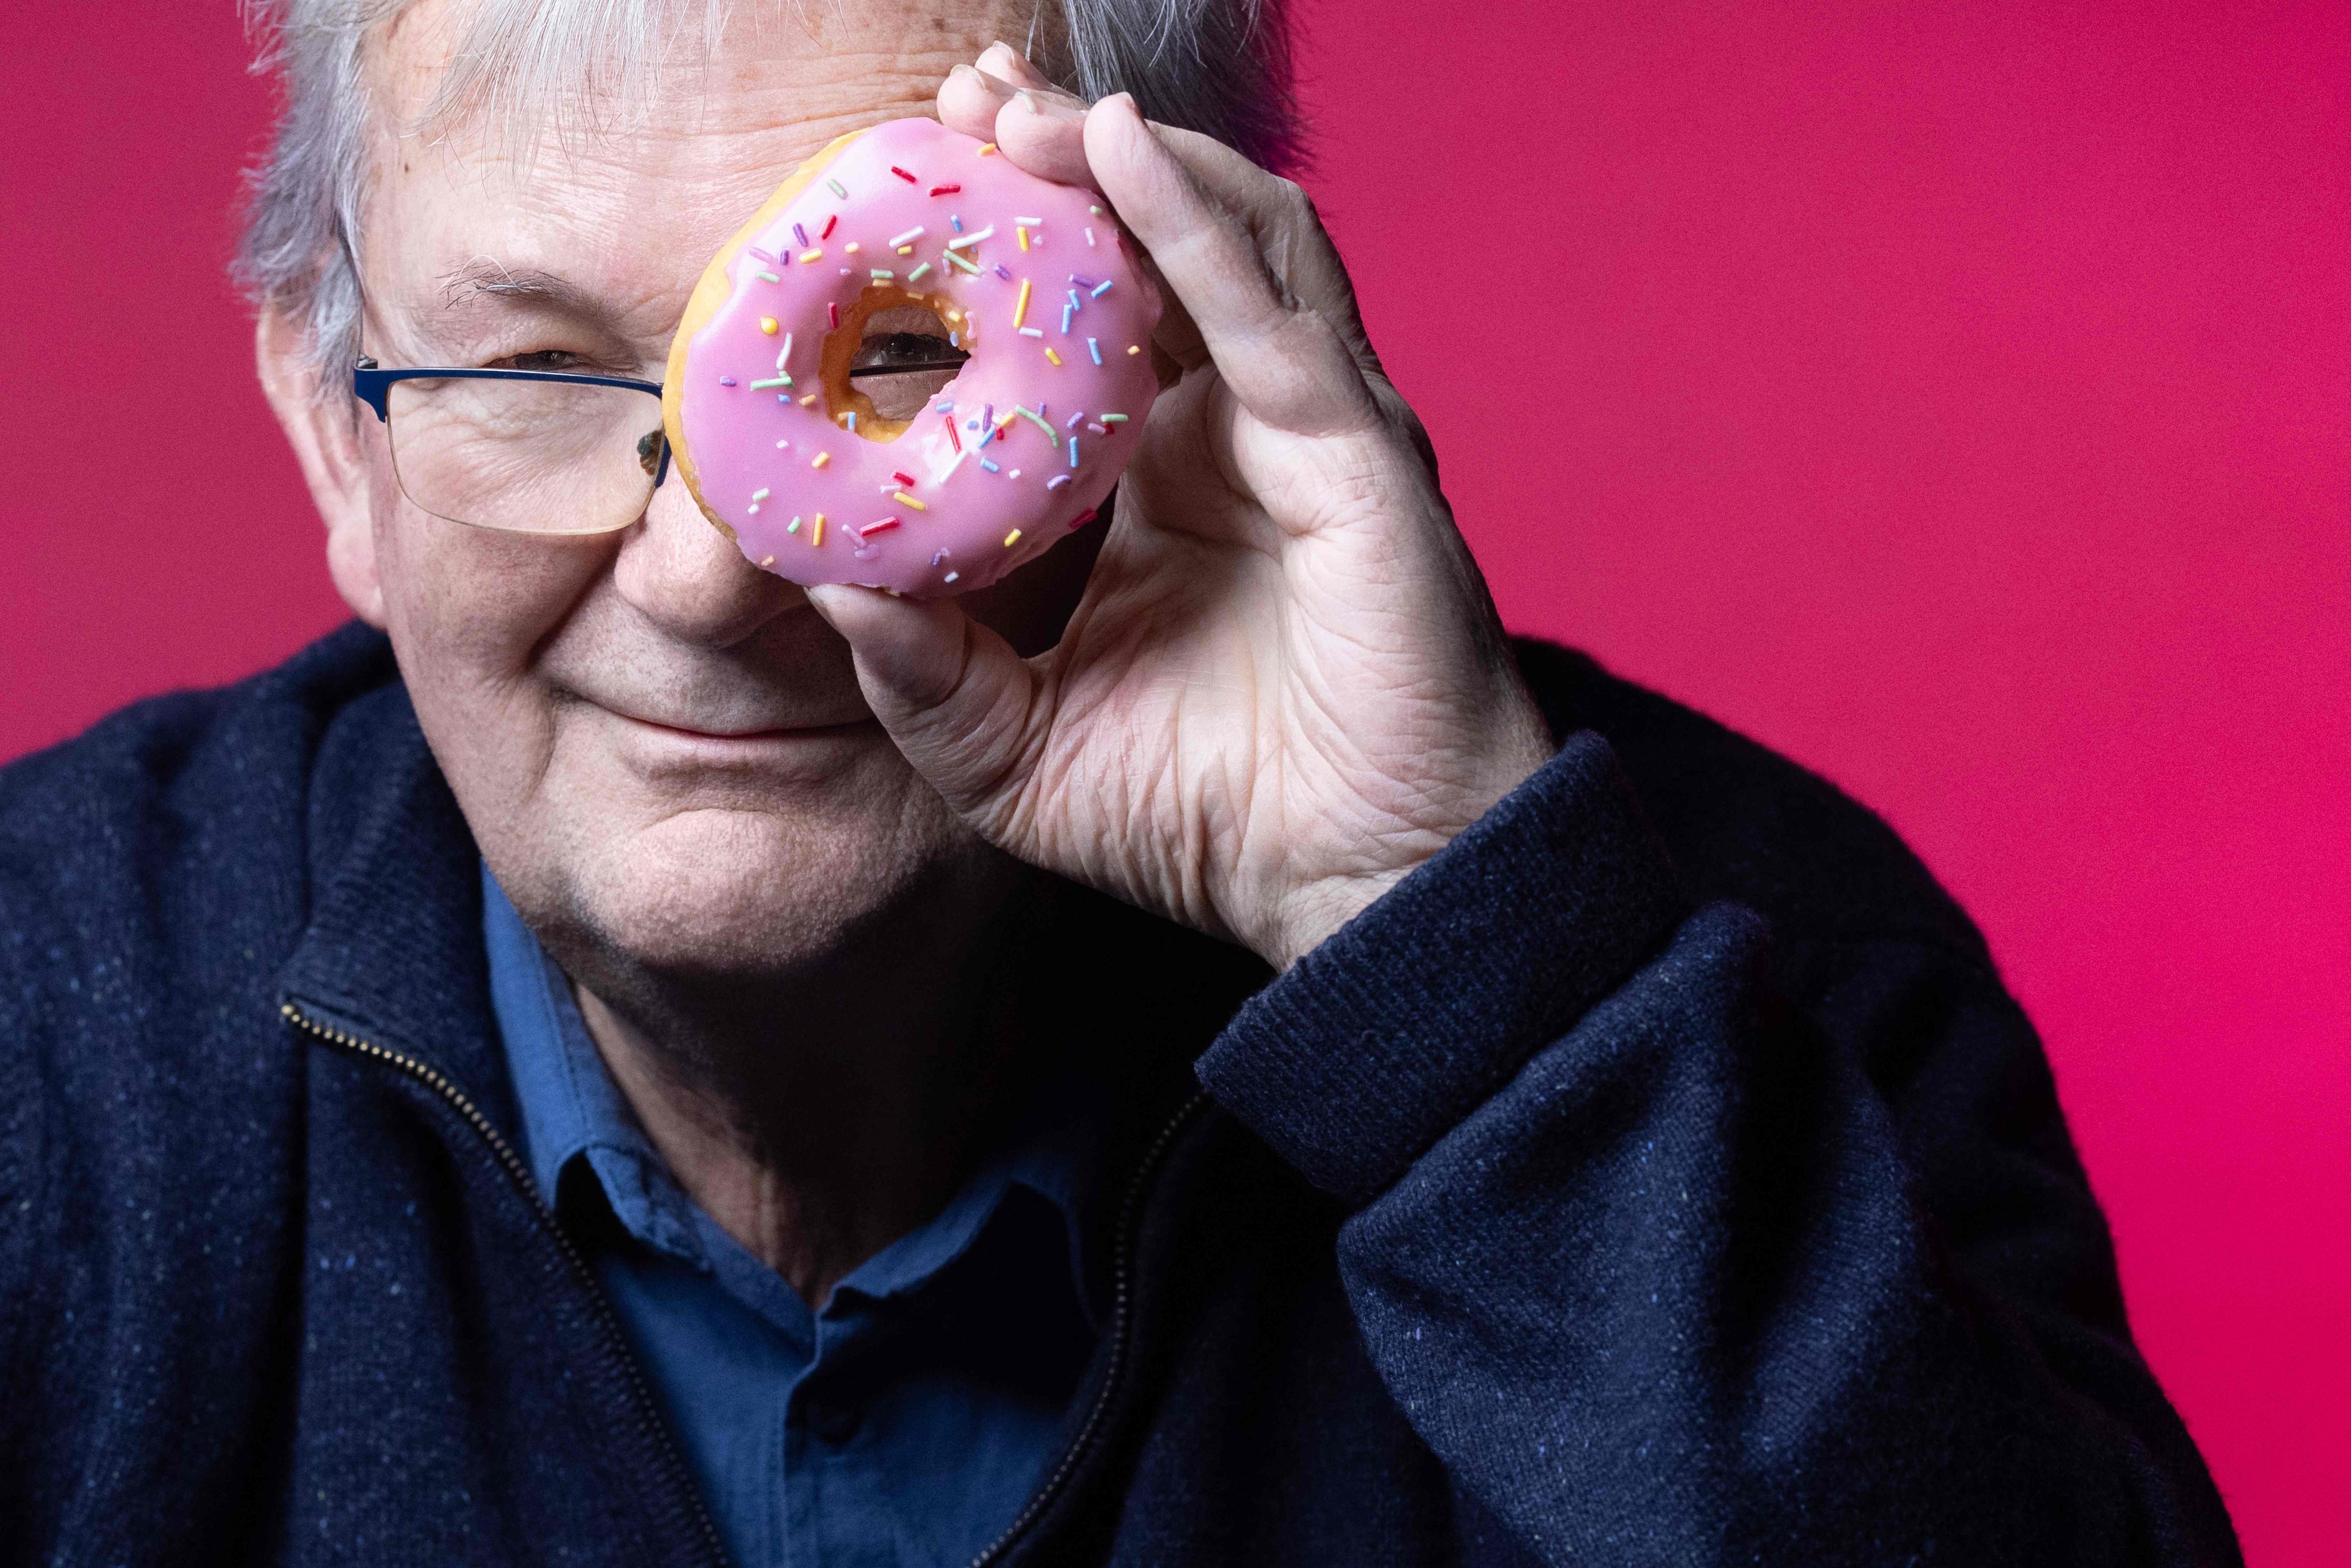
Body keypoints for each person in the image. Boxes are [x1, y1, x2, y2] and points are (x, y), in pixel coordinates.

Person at [0, 0, 2241, 1563]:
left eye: (892, 358)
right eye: (533, 367)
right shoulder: (46, 1036)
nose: (703, 579)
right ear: (338, 434)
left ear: (1177, 352)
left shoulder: (1746, 981)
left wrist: (1454, 955)